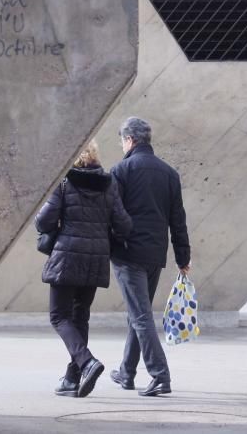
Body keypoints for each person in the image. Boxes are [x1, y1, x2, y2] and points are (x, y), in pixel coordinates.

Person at [35, 139, 133, 398]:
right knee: (81, 317)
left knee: (59, 316)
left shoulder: (65, 181)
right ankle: (72, 378)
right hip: (96, 259)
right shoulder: (109, 183)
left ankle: (87, 362)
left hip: (67, 257)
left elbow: (43, 220)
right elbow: (124, 225)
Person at [108, 116, 190, 397]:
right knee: (137, 314)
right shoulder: (169, 173)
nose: (122, 145)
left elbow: (112, 215)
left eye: (122, 140)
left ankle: (160, 375)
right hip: (156, 254)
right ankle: (126, 372)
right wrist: (183, 256)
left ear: (129, 140)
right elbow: (178, 219)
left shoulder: (121, 171)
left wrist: (113, 242)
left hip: (128, 254)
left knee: (141, 316)